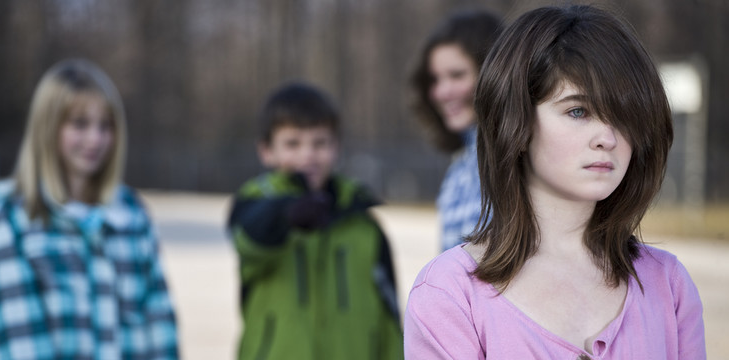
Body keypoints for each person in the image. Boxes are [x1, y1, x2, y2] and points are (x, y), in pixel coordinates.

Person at [404, 5, 706, 359]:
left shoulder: (669, 286)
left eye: (625, 115)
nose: (607, 137)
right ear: (516, 119)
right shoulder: (448, 294)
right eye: (578, 111)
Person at [0, 59, 180, 359]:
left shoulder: (132, 216)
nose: (95, 139)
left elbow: (161, 331)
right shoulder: (10, 220)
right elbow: (16, 346)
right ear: (47, 127)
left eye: (105, 126)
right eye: (80, 124)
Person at [227, 83, 403, 360]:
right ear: (266, 151)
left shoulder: (363, 224)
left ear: (337, 147)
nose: (307, 155)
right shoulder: (254, 204)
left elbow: (389, 311)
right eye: (292, 143)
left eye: (320, 143)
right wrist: (286, 214)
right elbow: (248, 241)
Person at [410, 10, 503, 251]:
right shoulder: (461, 163)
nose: (442, 92)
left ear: (493, 73)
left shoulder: (515, 156)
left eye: (457, 75)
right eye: (435, 79)